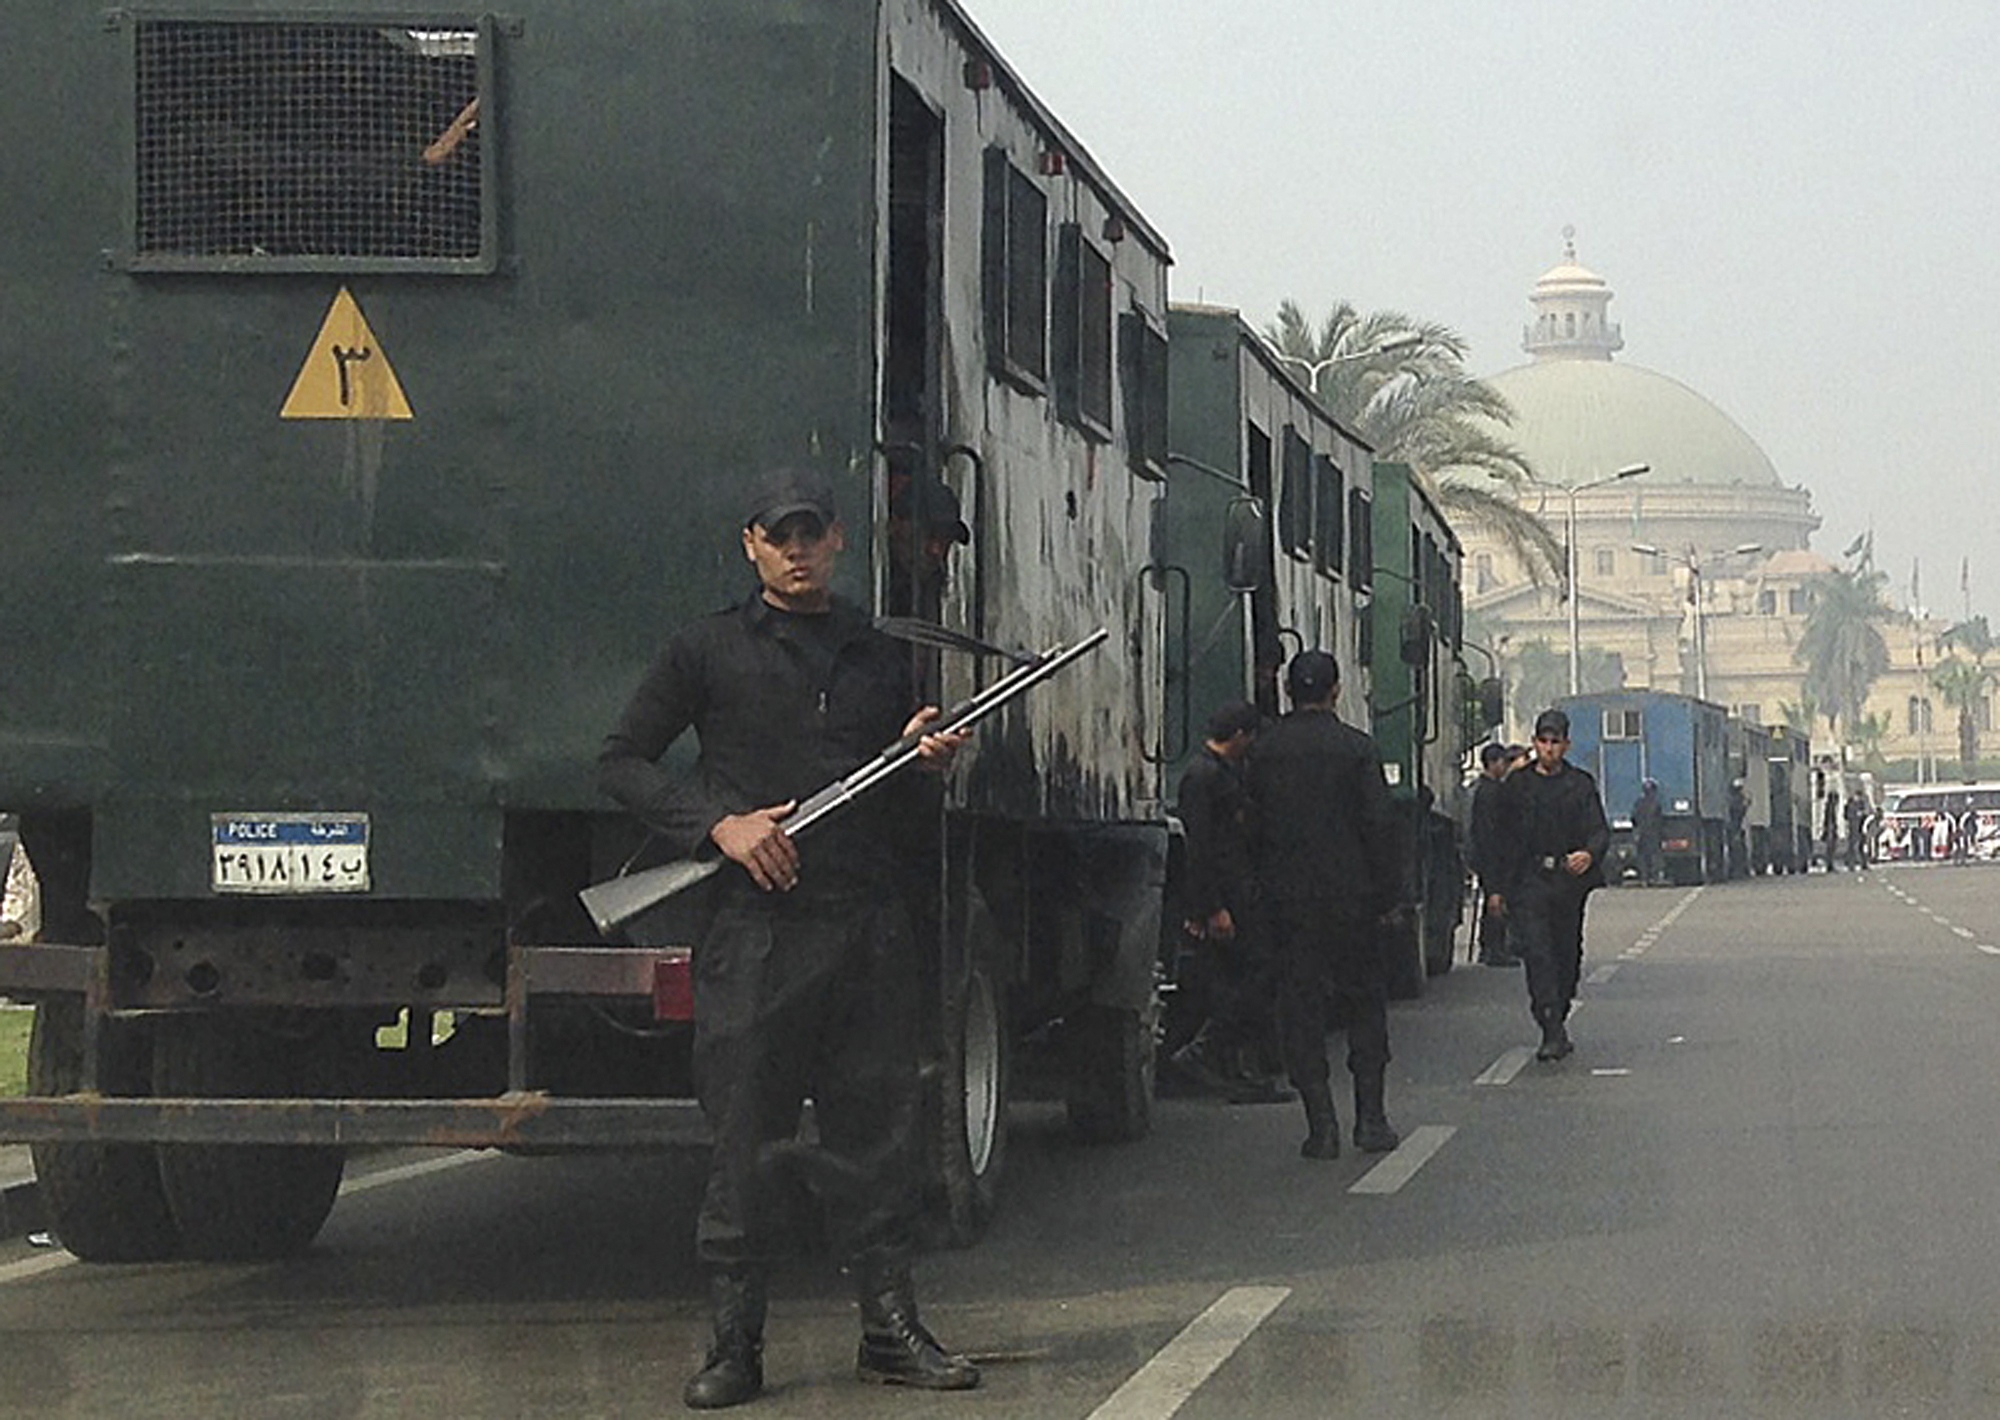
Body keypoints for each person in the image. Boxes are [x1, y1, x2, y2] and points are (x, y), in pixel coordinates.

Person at [597, 467, 979, 1409]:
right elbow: (619, 761)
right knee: (743, 1143)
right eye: (781, 535)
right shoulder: (705, 649)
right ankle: (736, 1347)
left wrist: (926, 759)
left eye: (813, 533)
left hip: (865, 929)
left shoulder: (879, 654)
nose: (798, 549)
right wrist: (718, 826)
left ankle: (890, 1332)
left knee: (879, 1140)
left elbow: (900, 803)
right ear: (751, 545)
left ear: (839, 541)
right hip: (755, 935)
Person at [1243, 651, 1405, 1160]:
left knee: (1301, 1010)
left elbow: (1249, 829)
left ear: (1288, 691)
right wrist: (1388, 896)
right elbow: (1380, 827)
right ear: (1336, 691)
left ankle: (1322, 1127)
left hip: (1288, 903)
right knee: (1363, 1004)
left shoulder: (1263, 753)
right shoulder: (1357, 749)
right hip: (1353, 899)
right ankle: (1371, 1120)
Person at [1170, 701, 1290, 1104]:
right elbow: (1200, 849)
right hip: (1226, 897)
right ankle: (1205, 1049)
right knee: (1257, 973)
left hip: (1239, 892)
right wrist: (1209, 907)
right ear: (1239, 735)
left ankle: (1236, 1068)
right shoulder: (1203, 778)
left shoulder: (1223, 773)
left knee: (1240, 979)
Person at [1491, 708, 1611, 1062]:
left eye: (1555, 742)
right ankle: (1549, 1027)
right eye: (1543, 742)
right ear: (1534, 743)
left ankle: (1558, 1011)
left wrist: (1588, 854)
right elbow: (1500, 839)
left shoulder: (1579, 785)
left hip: (1567, 883)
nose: (1549, 749)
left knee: (1565, 955)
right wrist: (1496, 889)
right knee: (1538, 954)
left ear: (1566, 745)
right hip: (1530, 881)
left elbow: (1599, 830)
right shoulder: (1517, 785)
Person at [1467, 742, 1521, 967]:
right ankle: (1495, 949)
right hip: (1493, 853)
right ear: (1493, 763)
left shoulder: (1485, 789)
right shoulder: (1491, 792)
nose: (1505, 767)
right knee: (1496, 900)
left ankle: (1488, 947)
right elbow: (1491, 830)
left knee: (1493, 899)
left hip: (1489, 853)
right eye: (1503, 762)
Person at [1631, 778, 1665, 887]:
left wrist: (1637, 828)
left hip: (1642, 833)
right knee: (1654, 855)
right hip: (1653, 833)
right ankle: (1654, 877)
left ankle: (1644, 878)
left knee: (1643, 856)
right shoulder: (1656, 803)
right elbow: (1660, 820)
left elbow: (1633, 817)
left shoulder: (1639, 803)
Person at [1844, 788, 1872, 870]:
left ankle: (1862, 863)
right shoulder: (1851, 805)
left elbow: (1866, 813)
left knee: (1860, 846)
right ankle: (1851, 864)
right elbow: (1848, 816)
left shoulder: (1860, 804)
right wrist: (1857, 815)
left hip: (1860, 827)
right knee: (1853, 846)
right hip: (1854, 827)